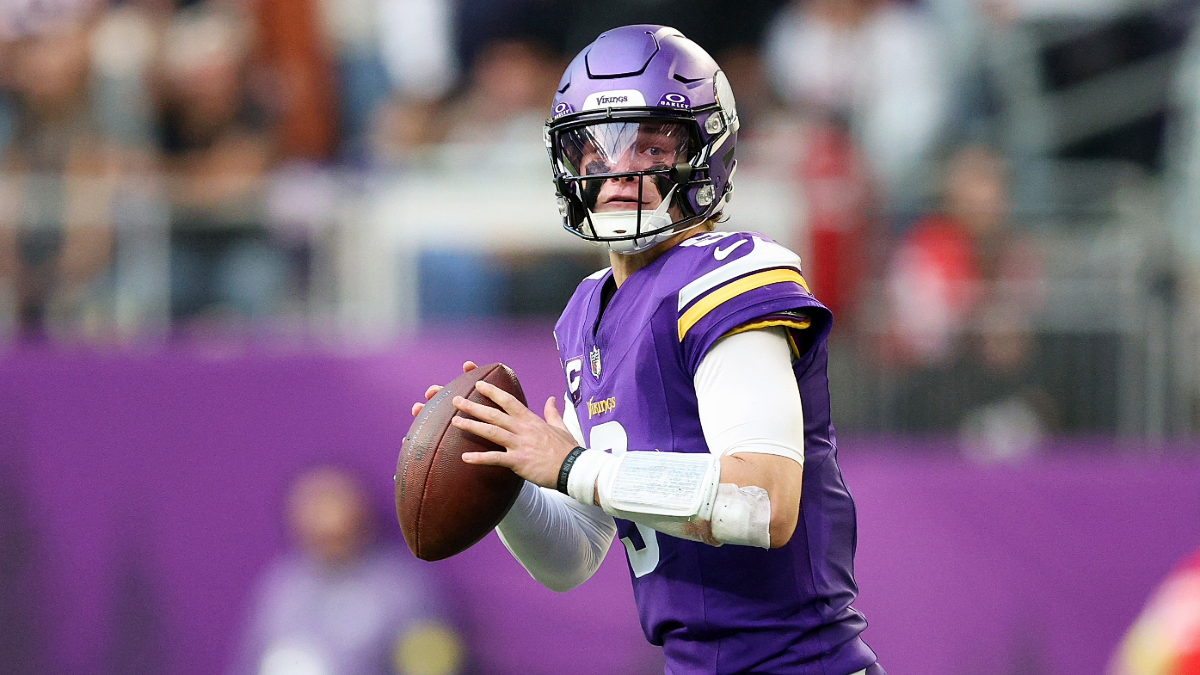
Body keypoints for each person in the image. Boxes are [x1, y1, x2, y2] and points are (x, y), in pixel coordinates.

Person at [413, 25, 880, 675]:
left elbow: (764, 503)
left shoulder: (731, 274)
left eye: (650, 146)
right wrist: (508, 471)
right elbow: (572, 554)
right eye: (596, 151)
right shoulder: (588, 313)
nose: (618, 171)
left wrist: (572, 465)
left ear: (703, 153)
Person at [230, 467, 463, 675]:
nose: (321, 518)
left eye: (330, 503)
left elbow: (432, 667)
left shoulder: (403, 587)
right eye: (310, 506)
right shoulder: (281, 586)